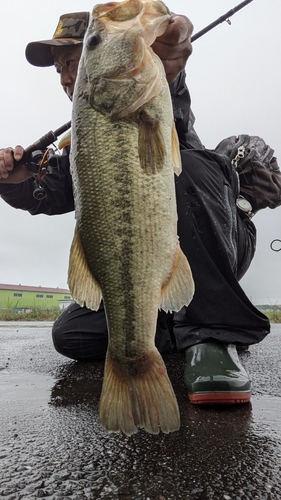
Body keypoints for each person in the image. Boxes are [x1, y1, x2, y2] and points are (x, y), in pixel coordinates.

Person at [0, 10, 273, 406]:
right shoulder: (80, 147)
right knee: (71, 334)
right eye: (58, 68)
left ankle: (214, 335)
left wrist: (169, 57)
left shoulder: (151, 90)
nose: (63, 77)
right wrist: (15, 182)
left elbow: (172, 90)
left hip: (219, 240)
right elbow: (52, 189)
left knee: (195, 167)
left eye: (74, 60)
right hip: (147, 272)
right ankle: (176, 331)